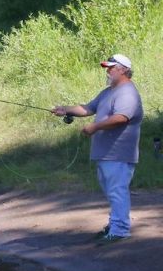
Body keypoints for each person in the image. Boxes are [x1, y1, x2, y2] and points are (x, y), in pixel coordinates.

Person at [51, 54, 143, 243]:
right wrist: (66, 109)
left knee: (117, 191)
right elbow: (88, 108)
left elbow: (121, 117)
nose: (107, 71)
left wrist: (95, 127)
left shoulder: (127, 92)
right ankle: (114, 225)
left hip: (119, 152)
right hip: (106, 153)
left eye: (111, 68)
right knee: (111, 191)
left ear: (124, 70)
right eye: (107, 68)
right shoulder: (108, 92)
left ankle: (120, 231)